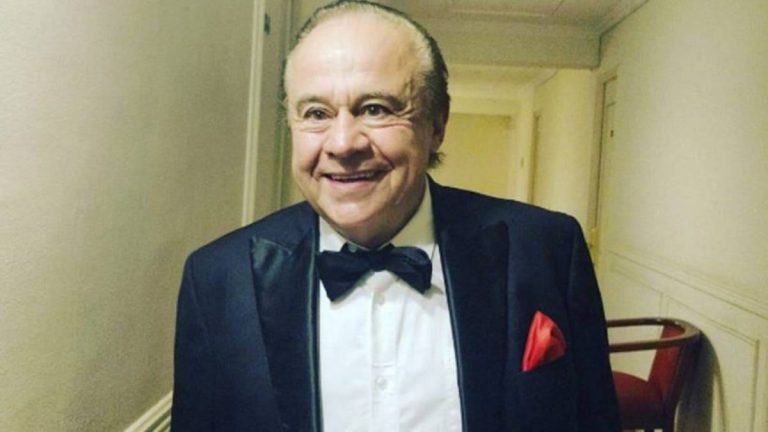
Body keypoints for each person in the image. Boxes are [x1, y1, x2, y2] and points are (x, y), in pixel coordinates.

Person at [171, 1, 621, 431]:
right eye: (316, 113)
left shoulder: (546, 249)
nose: (343, 143)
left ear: (437, 125)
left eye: (376, 109)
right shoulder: (218, 280)